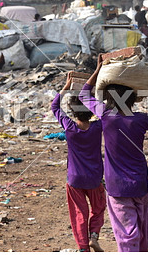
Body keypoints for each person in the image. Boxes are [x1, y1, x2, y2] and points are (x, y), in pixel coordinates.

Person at [79, 55, 148, 252]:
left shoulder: (106, 115)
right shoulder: (142, 119)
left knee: (126, 234)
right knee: (141, 231)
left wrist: (97, 70)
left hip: (118, 186)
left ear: (108, 98)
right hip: (140, 183)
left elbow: (83, 95)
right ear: (133, 98)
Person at [51, 73, 106, 252]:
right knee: (98, 208)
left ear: (73, 111)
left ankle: (83, 249)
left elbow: (54, 106)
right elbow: (107, 112)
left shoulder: (70, 127)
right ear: (91, 111)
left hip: (75, 179)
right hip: (94, 177)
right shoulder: (98, 127)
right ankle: (94, 236)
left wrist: (66, 87)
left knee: (79, 214)